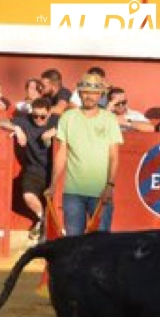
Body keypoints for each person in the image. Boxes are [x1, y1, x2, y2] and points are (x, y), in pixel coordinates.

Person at [46, 73, 123, 236]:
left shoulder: (109, 119)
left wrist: (110, 186)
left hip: (101, 191)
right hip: (73, 191)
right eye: (86, 92)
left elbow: (114, 156)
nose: (89, 96)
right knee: (74, 241)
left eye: (94, 93)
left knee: (100, 242)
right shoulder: (68, 117)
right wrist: (53, 184)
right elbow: (62, 153)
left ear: (100, 95)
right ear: (80, 93)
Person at [0, 96, 59, 241]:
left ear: (49, 113)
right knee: (28, 195)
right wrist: (17, 128)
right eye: (35, 116)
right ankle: (43, 219)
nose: (38, 119)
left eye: (42, 116)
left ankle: (45, 225)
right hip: (34, 168)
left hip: (56, 170)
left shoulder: (57, 121)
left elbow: (73, 126)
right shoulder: (25, 121)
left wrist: (57, 131)